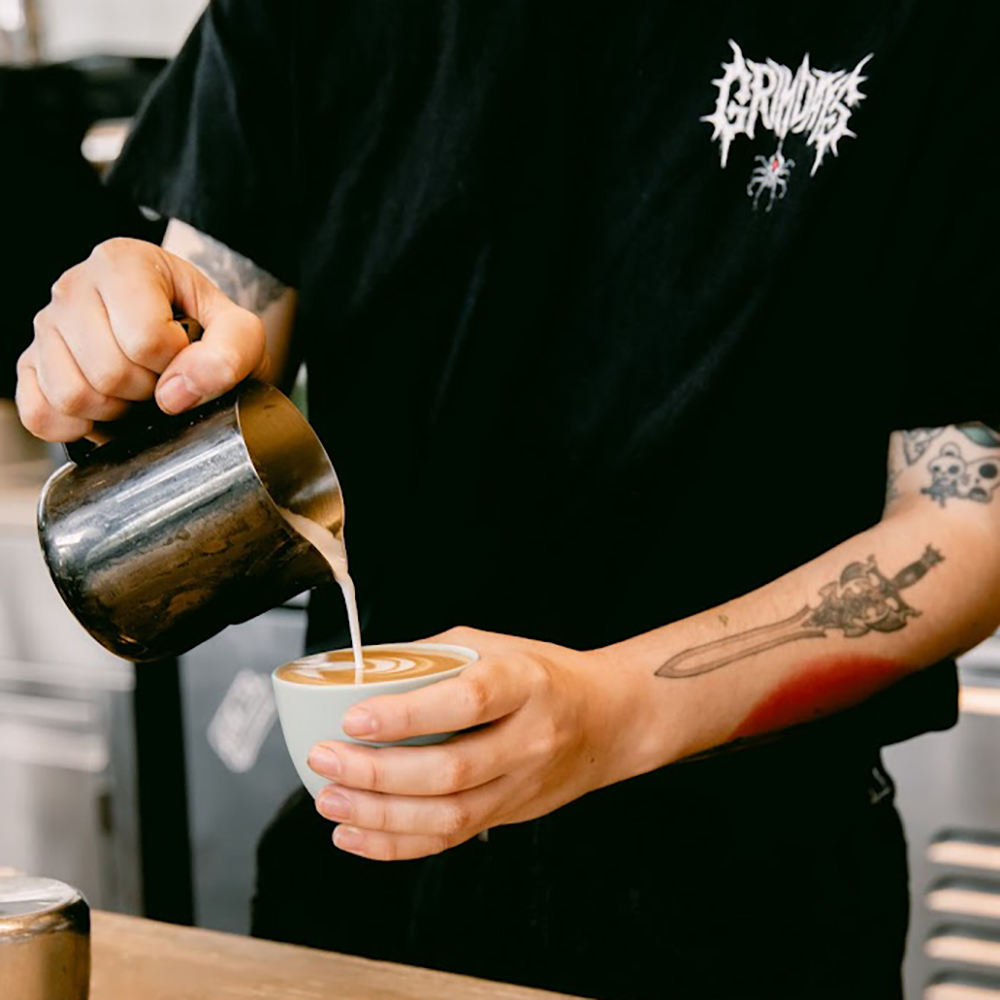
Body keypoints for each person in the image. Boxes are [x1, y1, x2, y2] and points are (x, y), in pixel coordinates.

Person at [14, 2, 999, 997]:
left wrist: (613, 711)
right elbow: (215, 360)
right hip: (364, 872)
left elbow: (970, 517)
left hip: (751, 893)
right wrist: (128, 343)